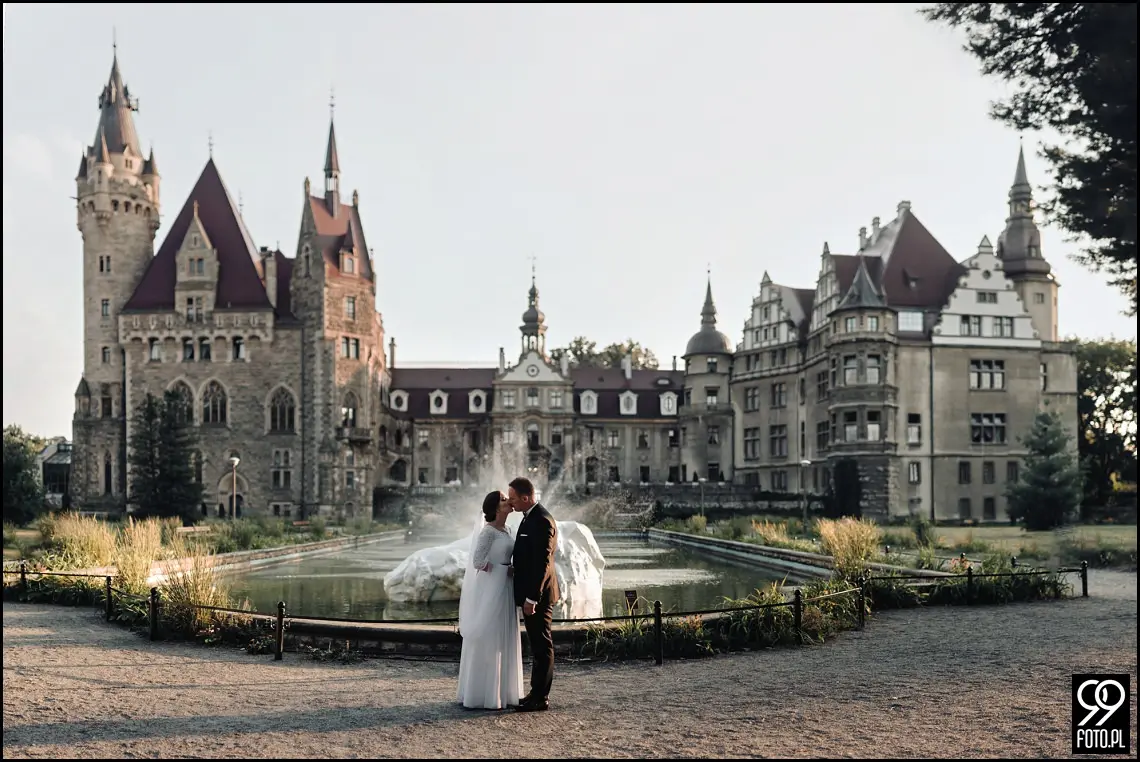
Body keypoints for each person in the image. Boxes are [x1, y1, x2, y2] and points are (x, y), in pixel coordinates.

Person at [456, 491, 524, 710]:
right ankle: (481, 693)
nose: (509, 502)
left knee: (504, 634)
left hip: (505, 588)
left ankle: (503, 691)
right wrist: (503, 571)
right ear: (496, 507)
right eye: (504, 500)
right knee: (489, 635)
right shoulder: (488, 532)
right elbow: (478, 561)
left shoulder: (508, 530)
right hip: (491, 588)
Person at [508, 476, 560, 713]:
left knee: (542, 644)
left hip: (538, 597)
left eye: (513, 498)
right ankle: (535, 693)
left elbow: (542, 563)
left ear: (526, 497)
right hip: (532, 594)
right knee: (537, 644)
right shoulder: (530, 517)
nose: (511, 503)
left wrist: (532, 598)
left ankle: (541, 697)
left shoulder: (542, 520)